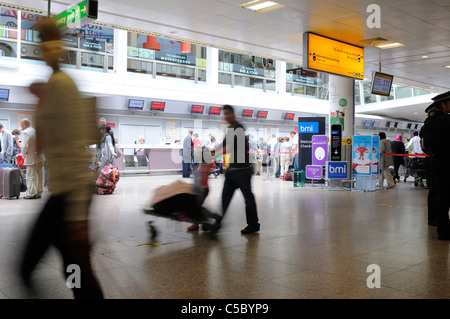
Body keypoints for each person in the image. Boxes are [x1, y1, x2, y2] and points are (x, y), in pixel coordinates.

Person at [20, 17, 104, 299]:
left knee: (36, 268)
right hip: (65, 194)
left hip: (70, 196)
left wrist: (79, 216)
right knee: (75, 272)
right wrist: (40, 101)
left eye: (42, 44)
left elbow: (73, 150)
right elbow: (44, 144)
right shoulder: (56, 84)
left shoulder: (62, 84)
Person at [211, 105, 260, 234]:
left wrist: (213, 154)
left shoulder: (238, 127)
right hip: (232, 170)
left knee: (248, 198)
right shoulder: (230, 128)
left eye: (228, 113)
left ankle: (253, 224)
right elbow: (225, 144)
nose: (226, 116)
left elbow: (230, 146)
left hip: (243, 170)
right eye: (224, 114)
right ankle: (217, 223)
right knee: (224, 198)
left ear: (233, 114)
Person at [426, 91, 450, 240]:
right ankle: (445, 229)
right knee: (446, 196)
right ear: (443, 104)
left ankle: (443, 228)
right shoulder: (446, 121)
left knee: (442, 195)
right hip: (447, 162)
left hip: (435, 161)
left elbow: (427, 145)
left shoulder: (429, 122)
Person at [187, 146, 214, 232]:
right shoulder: (201, 163)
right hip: (199, 189)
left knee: (197, 207)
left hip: (204, 190)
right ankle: (198, 223)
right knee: (196, 207)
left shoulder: (207, 163)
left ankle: (202, 222)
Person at [420, 102, 438, 226]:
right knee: (440, 191)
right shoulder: (436, 123)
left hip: (430, 159)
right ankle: (438, 219)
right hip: (439, 160)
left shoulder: (425, 126)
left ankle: (432, 218)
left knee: (433, 191)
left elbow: (423, 146)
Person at [20, 118, 46, 200]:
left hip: (31, 157)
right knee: (40, 175)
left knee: (31, 176)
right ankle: (39, 192)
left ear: (24, 125)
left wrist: (23, 156)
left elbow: (24, 146)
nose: (21, 127)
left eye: (21, 125)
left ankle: (31, 194)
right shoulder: (36, 131)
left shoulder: (25, 133)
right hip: (41, 157)